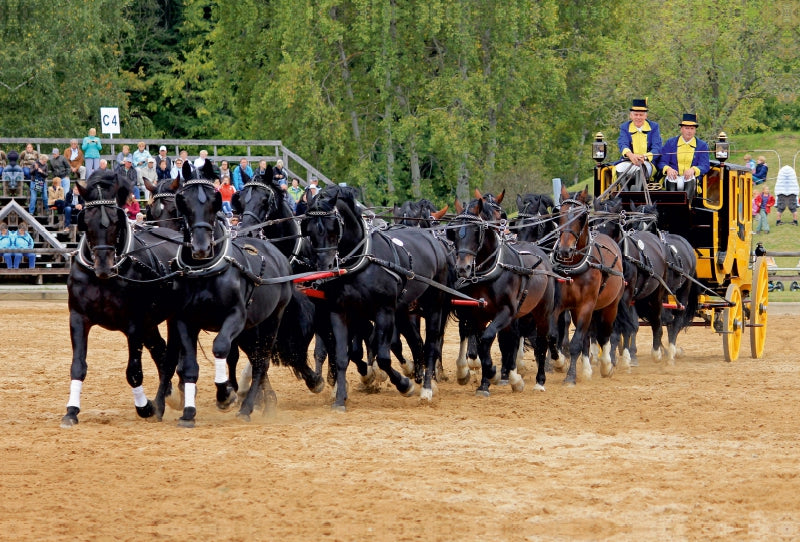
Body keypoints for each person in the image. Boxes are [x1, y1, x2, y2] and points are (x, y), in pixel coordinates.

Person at [658, 113, 710, 201]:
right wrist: (668, 169)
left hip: (690, 179)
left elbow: (705, 165)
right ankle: (671, 206)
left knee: (690, 178)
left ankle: (687, 206)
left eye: (692, 128)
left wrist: (693, 169)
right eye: (686, 128)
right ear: (681, 129)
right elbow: (661, 162)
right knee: (671, 179)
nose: (689, 131)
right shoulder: (671, 143)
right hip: (673, 177)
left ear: (695, 130)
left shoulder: (702, 145)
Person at [616, 98, 662, 190]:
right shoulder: (625, 127)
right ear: (631, 116)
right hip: (628, 161)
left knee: (639, 169)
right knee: (619, 168)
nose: (638, 117)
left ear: (646, 116)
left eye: (641, 115)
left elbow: (657, 147)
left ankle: (637, 194)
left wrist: (644, 157)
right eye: (636, 115)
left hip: (647, 162)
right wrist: (631, 155)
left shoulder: (654, 127)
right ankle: (625, 194)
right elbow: (622, 143)